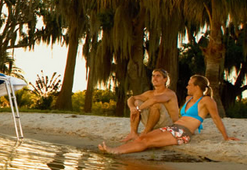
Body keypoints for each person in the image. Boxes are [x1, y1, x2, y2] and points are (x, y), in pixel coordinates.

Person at [99, 75, 238, 154]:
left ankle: (115, 151)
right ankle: (115, 149)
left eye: (189, 84)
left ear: (197, 87)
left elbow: (216, 118)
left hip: (183, 133)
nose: (187, 86)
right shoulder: (188, 99)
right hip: (173, 127)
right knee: (144, 137)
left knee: (147, 142)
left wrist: (226, 137)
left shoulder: (207, 100)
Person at [121, 68, 180, 142]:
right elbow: (131, 98)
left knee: (156, 105)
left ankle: (146, 132)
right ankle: (133, 133)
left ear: (165, 79)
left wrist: (138, 109)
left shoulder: (169, 93)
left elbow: (155, 99)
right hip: (154, 122)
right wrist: (132, 108)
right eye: (153, 76)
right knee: (136, 102)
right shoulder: (150, 93)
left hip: (169, 124)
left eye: (158, 76)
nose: (155, 78)